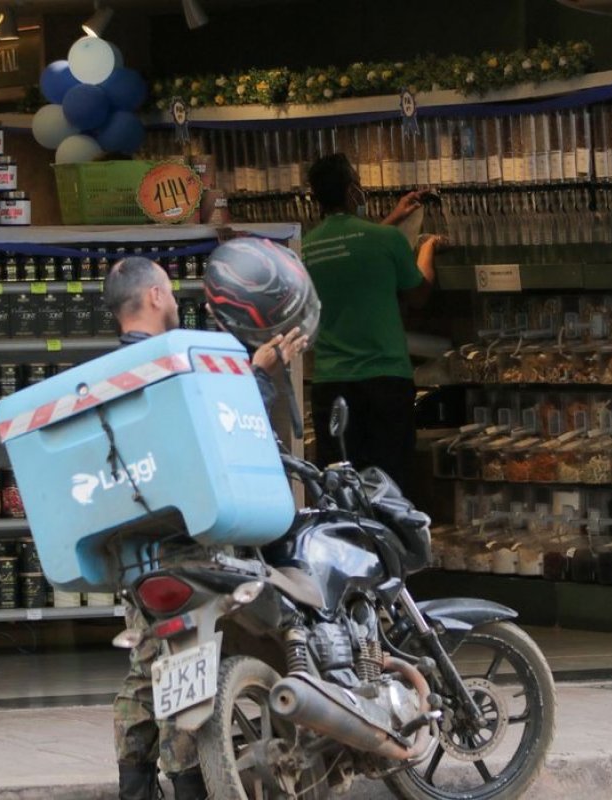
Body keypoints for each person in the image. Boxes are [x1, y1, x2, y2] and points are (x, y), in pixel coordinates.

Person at [104, 253, 308, 800]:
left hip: (135, 549)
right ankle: (191, 785)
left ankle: (135, 788)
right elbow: (220, 433)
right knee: (182, 671)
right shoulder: (169, 362)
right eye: (169, 292)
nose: (174, 300)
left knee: (147, 668)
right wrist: (261, 379)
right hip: (187, 542)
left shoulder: (106, 375)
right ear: (152, 297)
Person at [303, 153, 443, 489]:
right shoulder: (387, 241)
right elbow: (418, 294)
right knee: (389, 484)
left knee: (341, 485)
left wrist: (392, 218)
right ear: (353, 191)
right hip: (385, 384)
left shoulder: (304, 249)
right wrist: (427, 248)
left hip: (330, 385)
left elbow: (347, 248)